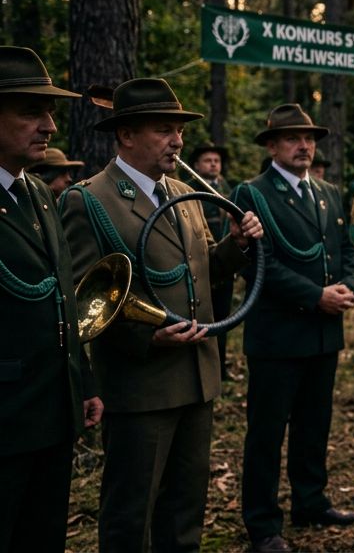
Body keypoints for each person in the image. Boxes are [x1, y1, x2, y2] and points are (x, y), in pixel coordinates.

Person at [62, 78, 261, 553]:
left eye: (180, 131)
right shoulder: (89, 200)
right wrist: (147, 339)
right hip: (142, 386)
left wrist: (236, 244)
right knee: (131, 514)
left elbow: (203, 270)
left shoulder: (183, 194)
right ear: (126, 135)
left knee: (184, 513)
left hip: (197, 378)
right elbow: (82, 300)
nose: (177, 141)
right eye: (164, 129)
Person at [232, 104, 354, 553]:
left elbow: (346, 249)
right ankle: (263, 524)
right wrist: (316, 295)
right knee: (267, 434)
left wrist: (348, 287)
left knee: (314, 424)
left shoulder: (327, 192)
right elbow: (257, 264)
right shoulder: (252, 194)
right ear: (272, 147)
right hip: (278, 335)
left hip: (323, 333)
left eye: (308, 138)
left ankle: (311, 501)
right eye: (292, 138)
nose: (304, 146)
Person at [0, 47, 101, 553]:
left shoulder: (38, 194)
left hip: (51, 413)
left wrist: (82, 382)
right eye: (31, 112)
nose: (50, 127)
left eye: (51, 112)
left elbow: (62, 295)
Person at [186, 142, 236, 380]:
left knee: (223, 318)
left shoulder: (227, 188)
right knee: (203, 319)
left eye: (217, 160)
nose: (214, 164)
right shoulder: (188, 190)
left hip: (226, 261)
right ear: (196, 165)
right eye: (208, 160)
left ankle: (221, 366)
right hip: (200, 265)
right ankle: (204, 370)